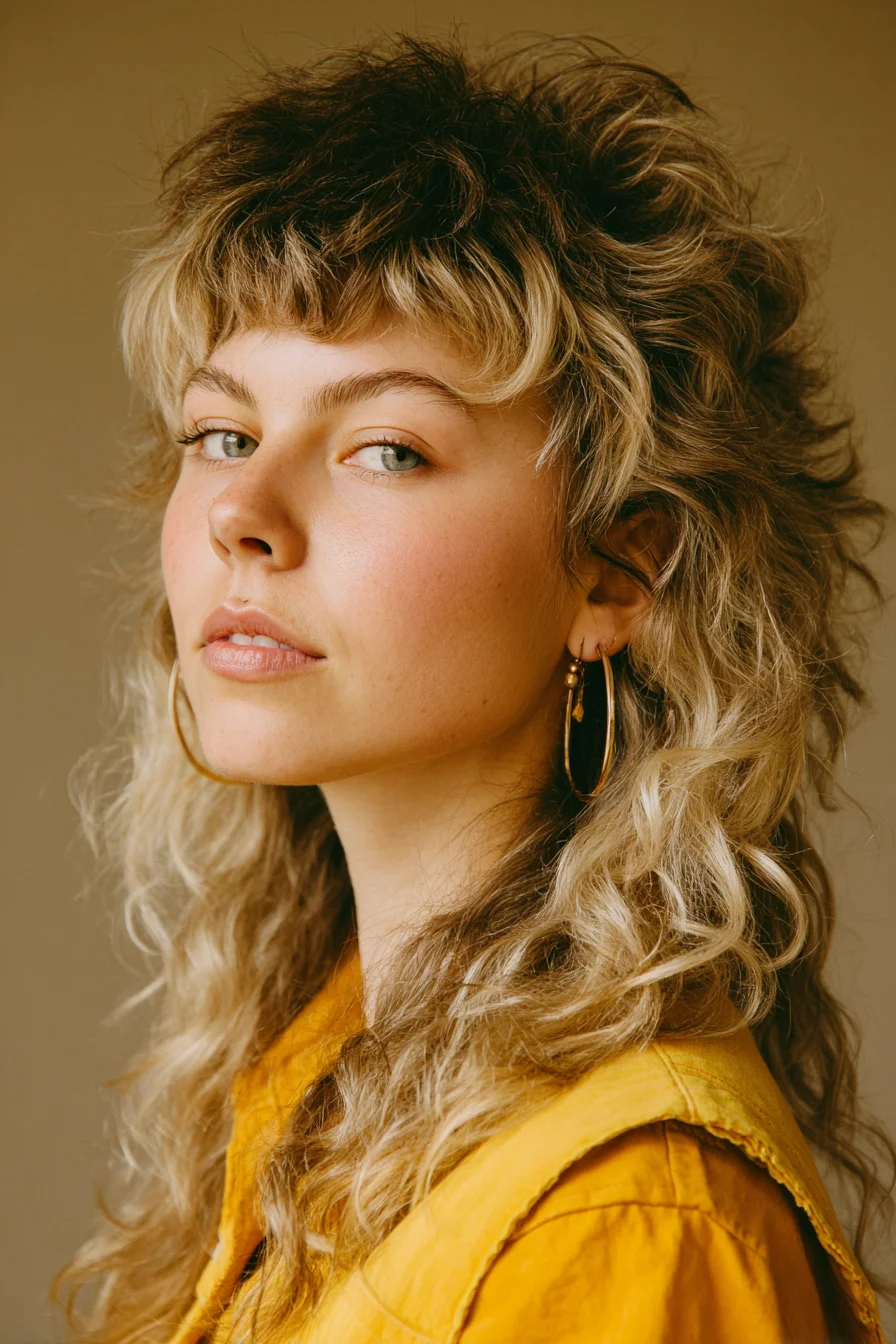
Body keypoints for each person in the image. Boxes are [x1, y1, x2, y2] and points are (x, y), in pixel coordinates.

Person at [54, 29, 894, 1344]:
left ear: (616, 567)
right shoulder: (320, 1084)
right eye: (223, 433)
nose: (242, 516)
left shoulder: (622, 1216)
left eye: (385, 448)